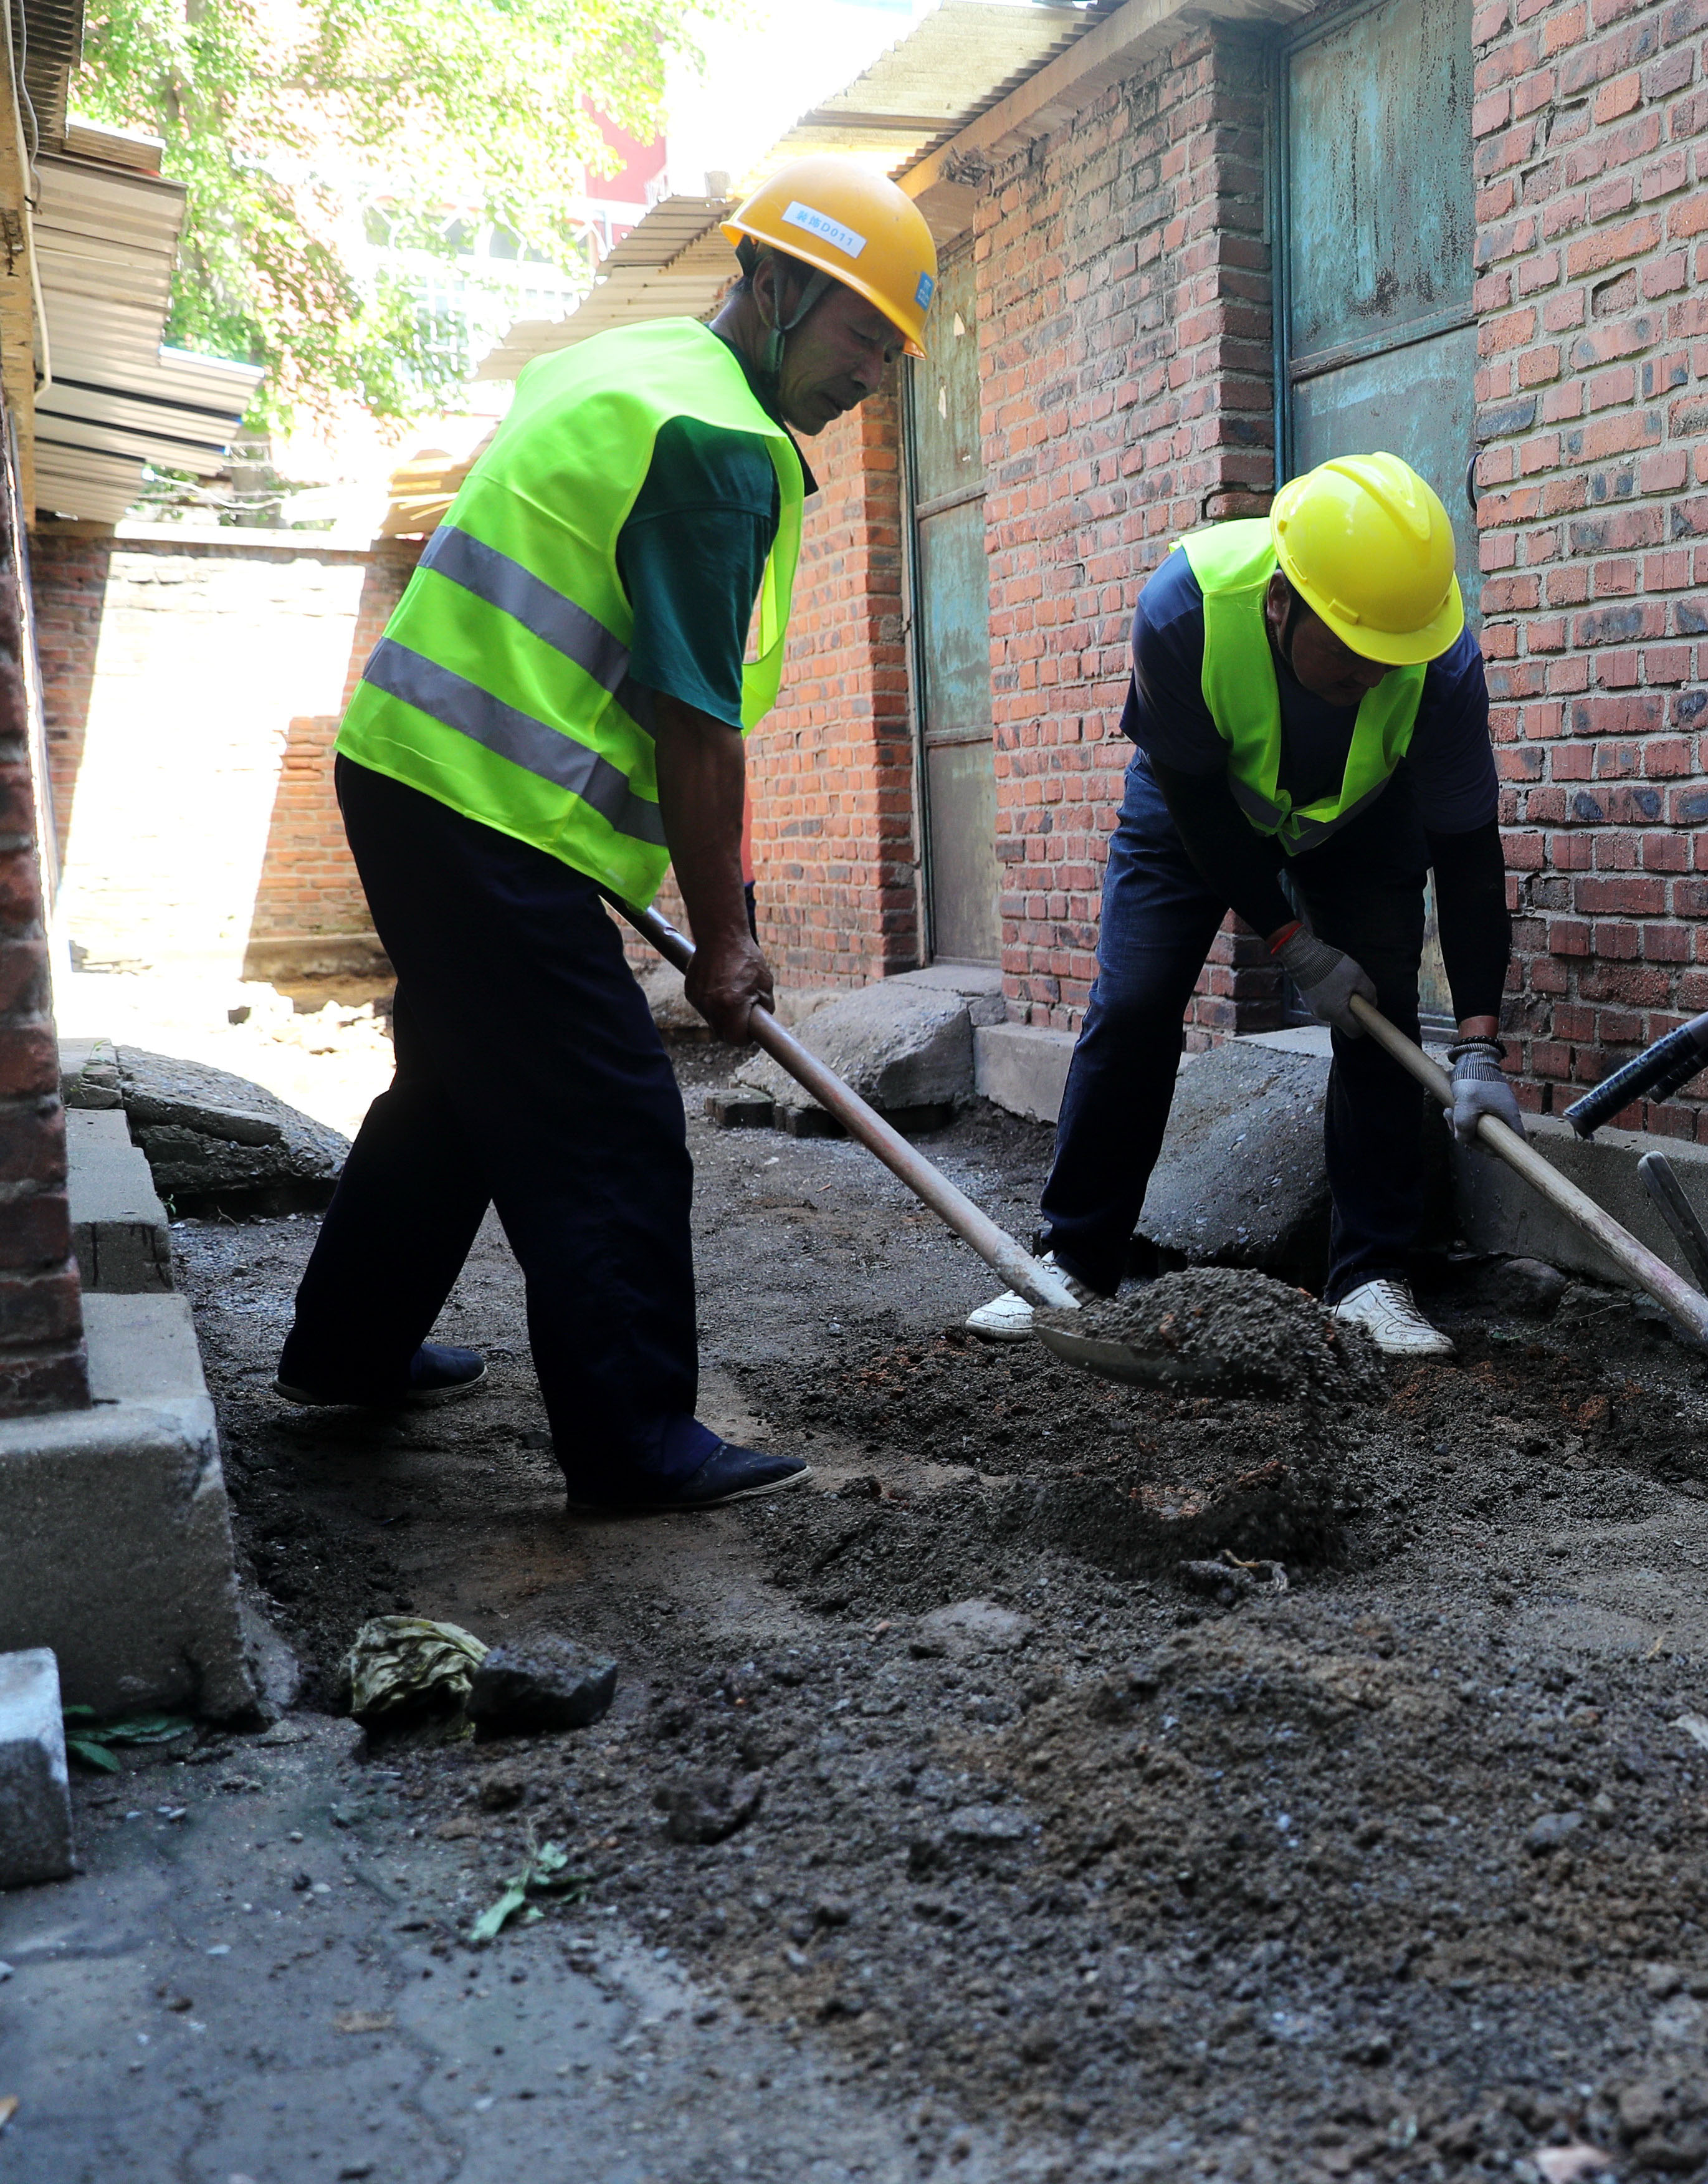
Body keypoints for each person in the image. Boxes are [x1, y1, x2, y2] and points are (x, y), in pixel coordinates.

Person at [268, 155, 938, 1510]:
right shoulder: (717, 446)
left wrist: (719, 912)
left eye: (894, 345)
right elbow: (697, 723)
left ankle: (346, 1352)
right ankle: (634, 1446)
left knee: (458, 1091)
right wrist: (728, 944)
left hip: (415, 772)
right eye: (862, 332)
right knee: (610, 1117)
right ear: (775, 284)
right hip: (480, 813)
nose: (874, 370)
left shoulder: (621, 368)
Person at [973, 453, 1516, 1356]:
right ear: (1280, 603)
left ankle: (1372, 1277)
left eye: (1395, 656)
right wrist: (1291, 941)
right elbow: (1199, 810)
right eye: (1353, 654)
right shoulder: (1183, 611)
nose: (1376, 675)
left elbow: (1466, 853)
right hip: (1197, 806)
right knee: (1137, 999)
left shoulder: (1439, 662)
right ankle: (1071, 1261)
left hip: (1358, 814)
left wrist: (1481, 1042)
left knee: (1377, 1008)